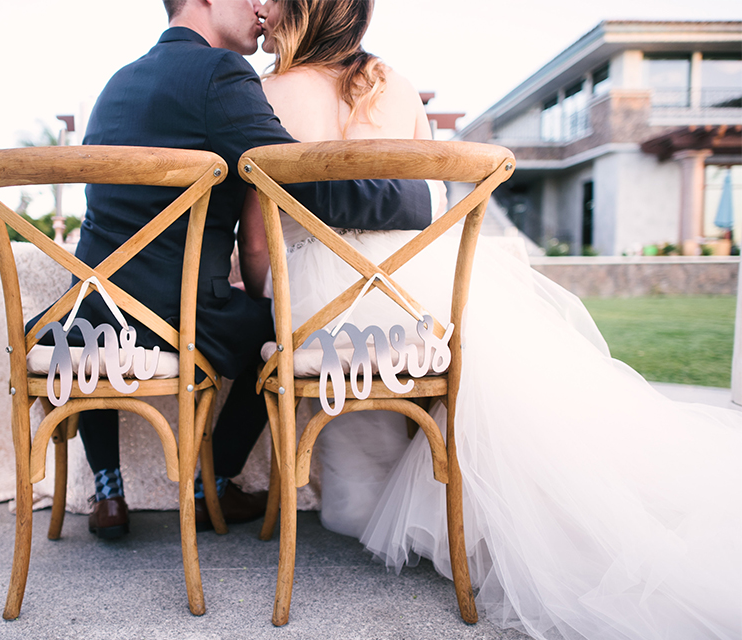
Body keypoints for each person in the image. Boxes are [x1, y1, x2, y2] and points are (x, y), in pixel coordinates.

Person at [243, 1, 742, 638]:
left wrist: (259, 287)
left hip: (322, 299)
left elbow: (258, 239)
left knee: (318, 348)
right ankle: (485, 508)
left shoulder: (267, 94)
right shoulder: (393, 85)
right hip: (419, 293)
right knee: (495, 359)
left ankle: (366, 497)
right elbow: (429, 204)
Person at [32, 0, 434, 540]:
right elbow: (298, 183)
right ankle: (210, 486)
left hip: (86, 309)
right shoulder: (222, 75)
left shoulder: (118, 82)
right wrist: (420, 200)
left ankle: (108, 489)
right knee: (279, 332)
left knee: (97, 304)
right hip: (177, 313)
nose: (260, 7)